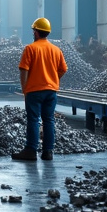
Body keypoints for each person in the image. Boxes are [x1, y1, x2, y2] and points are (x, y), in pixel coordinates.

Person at [13, 17, 68, 161]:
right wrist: (53, 79)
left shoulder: (30, 49)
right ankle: (48, 152)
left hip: (34, 91)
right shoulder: (56, 50)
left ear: (36, 32)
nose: (33, 33)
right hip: (51, 91)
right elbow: (63, 69)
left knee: (33, 120)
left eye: (33, 30)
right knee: (49, 120)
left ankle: (31, 151)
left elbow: (23, 70)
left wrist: (25, 89)